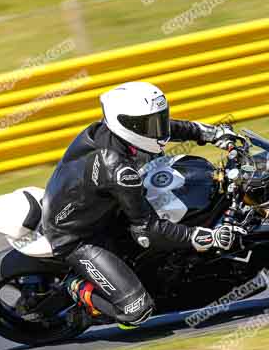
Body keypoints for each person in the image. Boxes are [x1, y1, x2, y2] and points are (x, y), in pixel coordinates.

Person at [40, 81, 242, 329]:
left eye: (159, 119)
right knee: (136, 311)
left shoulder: (115, 134)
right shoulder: (119, 170)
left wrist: (210, 133)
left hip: (100, 209)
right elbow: (146, 230)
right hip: (76, 237)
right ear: (126, 124)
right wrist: (203, 237)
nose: (159, 129)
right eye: (150, 124)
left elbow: (166, 129)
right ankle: (76, 286)